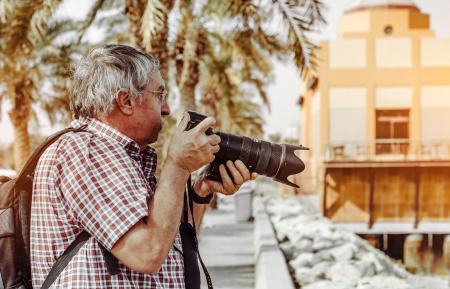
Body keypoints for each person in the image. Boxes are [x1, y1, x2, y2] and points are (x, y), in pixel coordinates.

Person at [30, 44, 256, 288]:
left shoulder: (123, 156)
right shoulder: (85, 151)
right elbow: (147, 253)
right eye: (159, 95)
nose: (167, 109)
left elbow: (171, 244)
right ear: (126, 100)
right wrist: (177, 165)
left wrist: (200, 191)